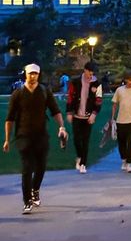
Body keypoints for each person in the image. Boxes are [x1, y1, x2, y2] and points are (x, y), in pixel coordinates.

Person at [3, 63, 68, 215]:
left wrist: (62, 127)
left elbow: (55, 111)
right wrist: (7, 139)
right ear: (25, 74)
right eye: (30, 73)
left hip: (41, 135)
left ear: (39, 75)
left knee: (41, 167)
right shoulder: (18, 93)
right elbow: (10, 118)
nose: (32, 76)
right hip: (23, 135)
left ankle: (35, 189)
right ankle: (27, 202)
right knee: (27, 168)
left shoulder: (44, 91)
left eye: (35, 74)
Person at [66, 61, 102, 174]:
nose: (90, 76)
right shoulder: (75, 82)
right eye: (89, 73)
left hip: (88, 116)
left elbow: (98, 100)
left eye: (92, 74)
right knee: (77, 139)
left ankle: (83, 164)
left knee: (85, 140)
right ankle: (79, 156)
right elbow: (70, 97)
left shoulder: (96, 84)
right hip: (77, 115)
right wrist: (69, 112)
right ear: (85, 70)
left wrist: (94, 114)